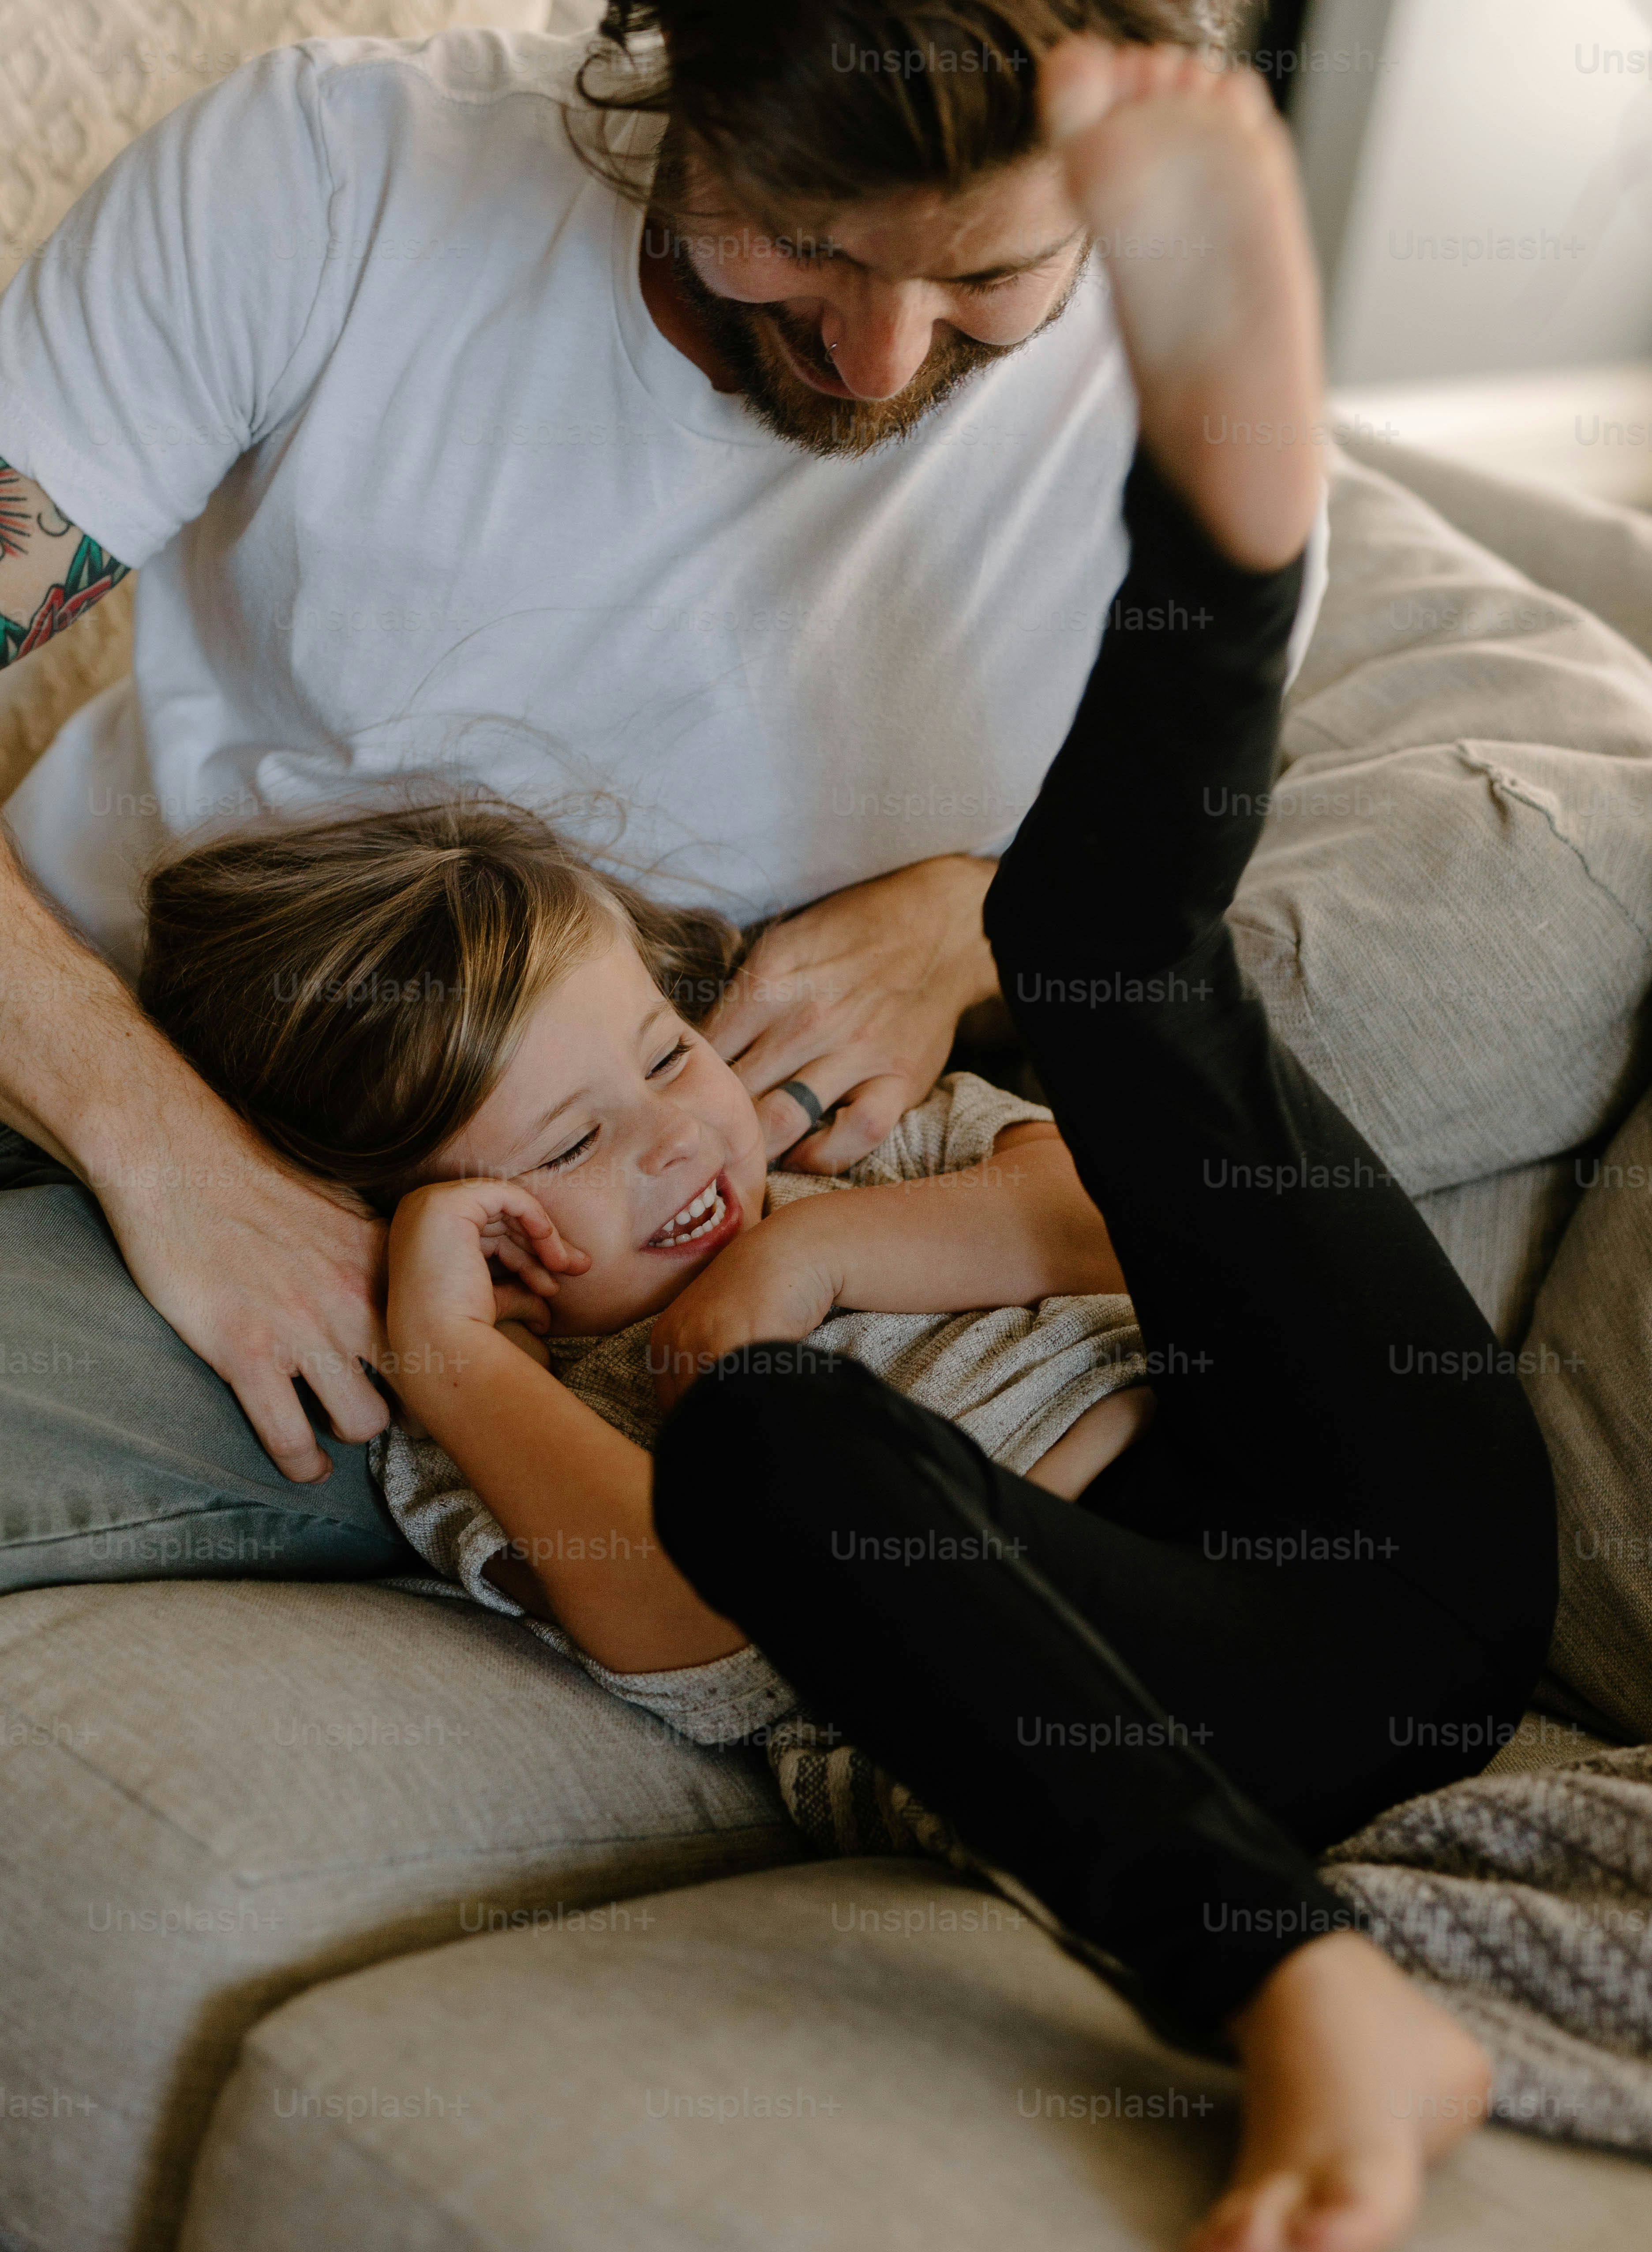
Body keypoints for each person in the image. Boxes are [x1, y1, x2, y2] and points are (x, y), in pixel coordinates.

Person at [142, 40, 1554, 2252]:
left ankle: (1238, 516)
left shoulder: (837, 1138)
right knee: (768, 1456)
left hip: (1412, 1521)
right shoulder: (519, 1416)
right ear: (487, 1245)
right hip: (1187, 1715)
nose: (681, 1133)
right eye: (577, 1149)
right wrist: (464, 1349)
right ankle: (1300, 1989)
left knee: (1104, 971)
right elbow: (672, 1604)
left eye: (662, 1050)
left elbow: (1121, 1210)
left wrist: (804, 1255)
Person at [0, 0, 1326, 1591]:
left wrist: (977, 922)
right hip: (104, 1079)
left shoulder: (1195, 421)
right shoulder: (331, 180)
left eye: (987, 276)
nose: (877, 359)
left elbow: (1161, 920)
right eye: (793, 238)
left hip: (601, 1301)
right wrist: (173, 1160)